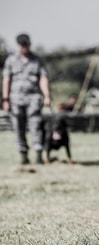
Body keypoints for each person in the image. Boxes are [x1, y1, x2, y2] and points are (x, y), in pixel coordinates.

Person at [2, 33, 52, 164]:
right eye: (23, 45)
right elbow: (7, 80)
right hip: (15, 99)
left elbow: (43, 78)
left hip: (33, 97)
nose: (25, 47)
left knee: (35, 125)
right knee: (18, 126)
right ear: (19, 46)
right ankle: (23, 155)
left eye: (27, 45)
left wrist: (46, 96)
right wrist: (5, 99)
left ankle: (38, 154)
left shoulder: (37, 60)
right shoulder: (11, 60)